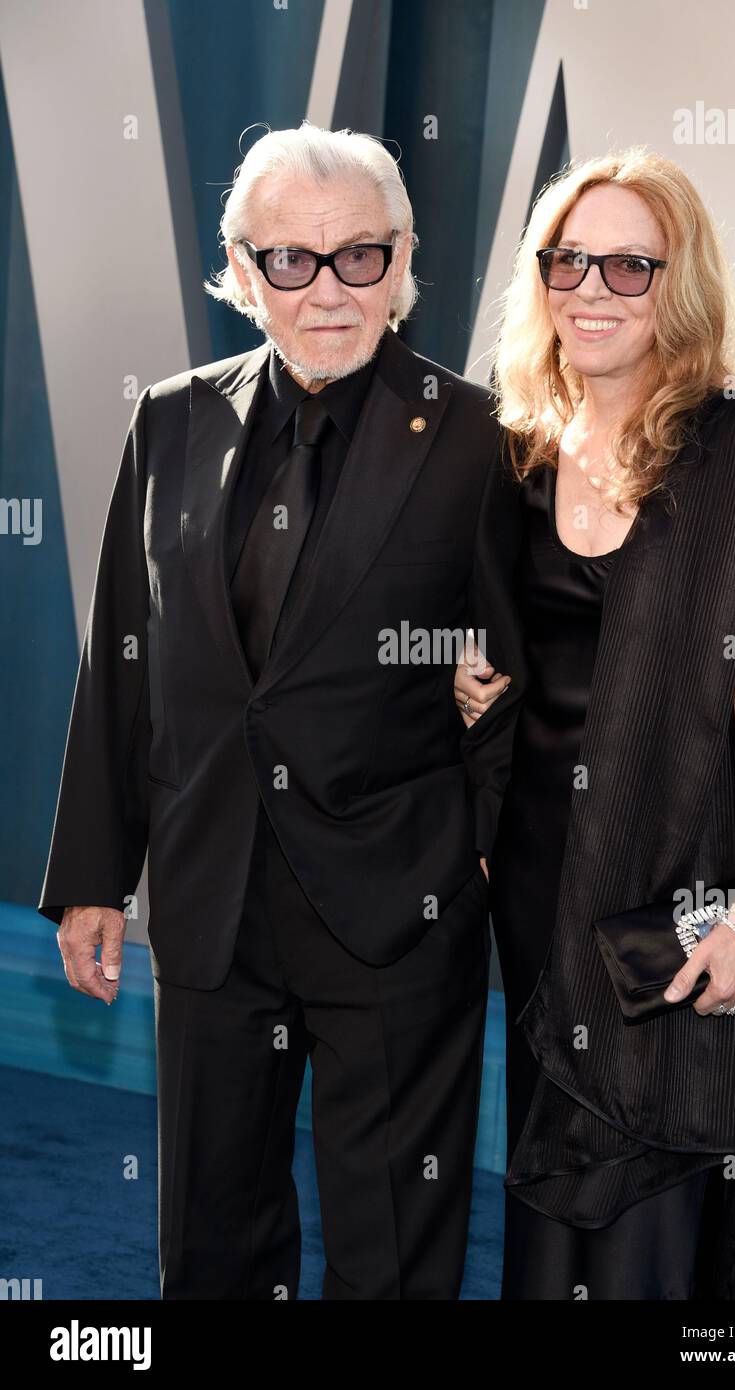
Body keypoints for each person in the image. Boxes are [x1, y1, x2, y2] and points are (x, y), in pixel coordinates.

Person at [38, 122, 524, 1300]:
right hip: (212, 904)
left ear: (403, 262)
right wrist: (98, 875)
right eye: (291, 260)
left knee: (395, 1250)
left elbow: (524, 672)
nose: (327, 290)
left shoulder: (479, 437)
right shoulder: (170, 419)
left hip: (396, 910)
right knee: (211, 1237)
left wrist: (483, 857)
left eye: (358, 256)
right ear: (242, 268)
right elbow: (123, 659)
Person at [455, 148, 735, 1300]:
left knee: (655, 1196)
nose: (594, 289)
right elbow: (488, 649)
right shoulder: (511, 451)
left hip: (677, 883)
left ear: (679, 285)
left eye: (630, 264)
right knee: (548, 1177)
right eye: (570, 261)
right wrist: (463, 680)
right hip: (534, 877)